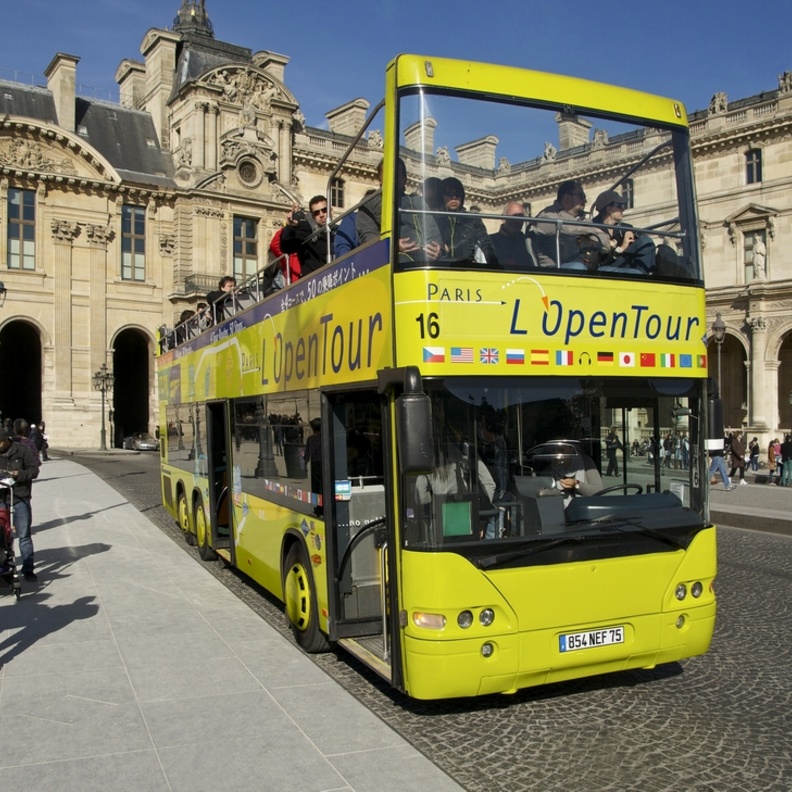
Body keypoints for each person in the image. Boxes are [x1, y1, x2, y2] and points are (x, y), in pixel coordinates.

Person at [357, 158, 443, 263]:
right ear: (379, 178)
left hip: (425, 256)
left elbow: (432, 230)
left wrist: (438, 248)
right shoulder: (369, 201)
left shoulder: (418, 201)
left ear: (404, 179)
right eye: (387, 173)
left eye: (396, 173)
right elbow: (367, 236)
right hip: (391, 258)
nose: (392, 177)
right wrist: (392, 246)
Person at [0, 426, 40, 581]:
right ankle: (4, 565)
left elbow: (34, 470)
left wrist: (19, 474)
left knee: (24, 535)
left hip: (19, 497)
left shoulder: (22, 450)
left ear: (6, 440)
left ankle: (28, 569)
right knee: (2, 534)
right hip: (1, 498)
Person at [435, 177, 496, 265]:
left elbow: (486, 243)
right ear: (441, 196)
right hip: (441, 266)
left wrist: (493, 264)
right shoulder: (435, 217)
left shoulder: (472, 219)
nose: (454, 197)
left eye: (458, 194)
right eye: (449, 193)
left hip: (467, 266)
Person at [532, 180, 589, 267]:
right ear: (567, 198)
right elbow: (565, 228)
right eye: (581, 196)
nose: (585, 200)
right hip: (554, 268)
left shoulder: (583, 218)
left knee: (611, 271)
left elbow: (601, 235)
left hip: (581, 263)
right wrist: (591, 230)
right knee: (578, 267)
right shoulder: (547, 215)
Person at [281, 196, 334, 278]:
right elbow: (286, 247)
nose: (321, 215)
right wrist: (290, 227)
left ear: (331, 211)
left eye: (324, 210)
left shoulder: (339, 230)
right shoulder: (306, 232)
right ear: (313, 216)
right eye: (316, 213)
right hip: (313, 282)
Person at [488, 201, 538, 269]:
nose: (516, 222)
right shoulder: (490, 241)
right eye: (513, 218)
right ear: (503, 218)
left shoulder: (528, 242)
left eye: (520, 218)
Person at [304, 418, 322, 496]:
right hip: (323, 462)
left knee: (316, 485)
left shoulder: (311, 438)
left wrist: (304, 464)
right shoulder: (323, 437)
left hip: (315, 463)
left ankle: (317, 504)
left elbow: (307, 453)